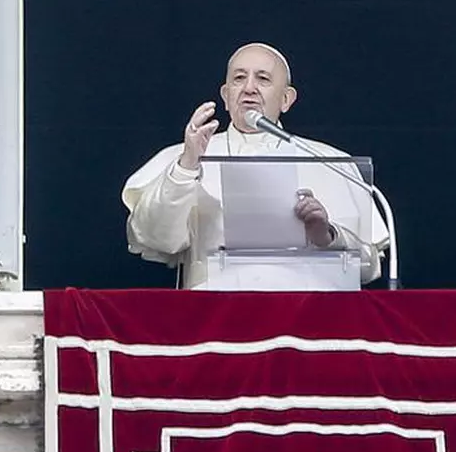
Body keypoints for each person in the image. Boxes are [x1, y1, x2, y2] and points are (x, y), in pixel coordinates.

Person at [121, 42, 389, 288]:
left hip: (306, 315)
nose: (249, 88)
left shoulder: (328, 161)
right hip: (215, 316)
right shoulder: (185, 157)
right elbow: (155, 238)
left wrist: (327, 236)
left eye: (263, 78)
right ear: (226, 96)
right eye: (239, 78)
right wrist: (186, 167)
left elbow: (367, 267)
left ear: (286, 99)